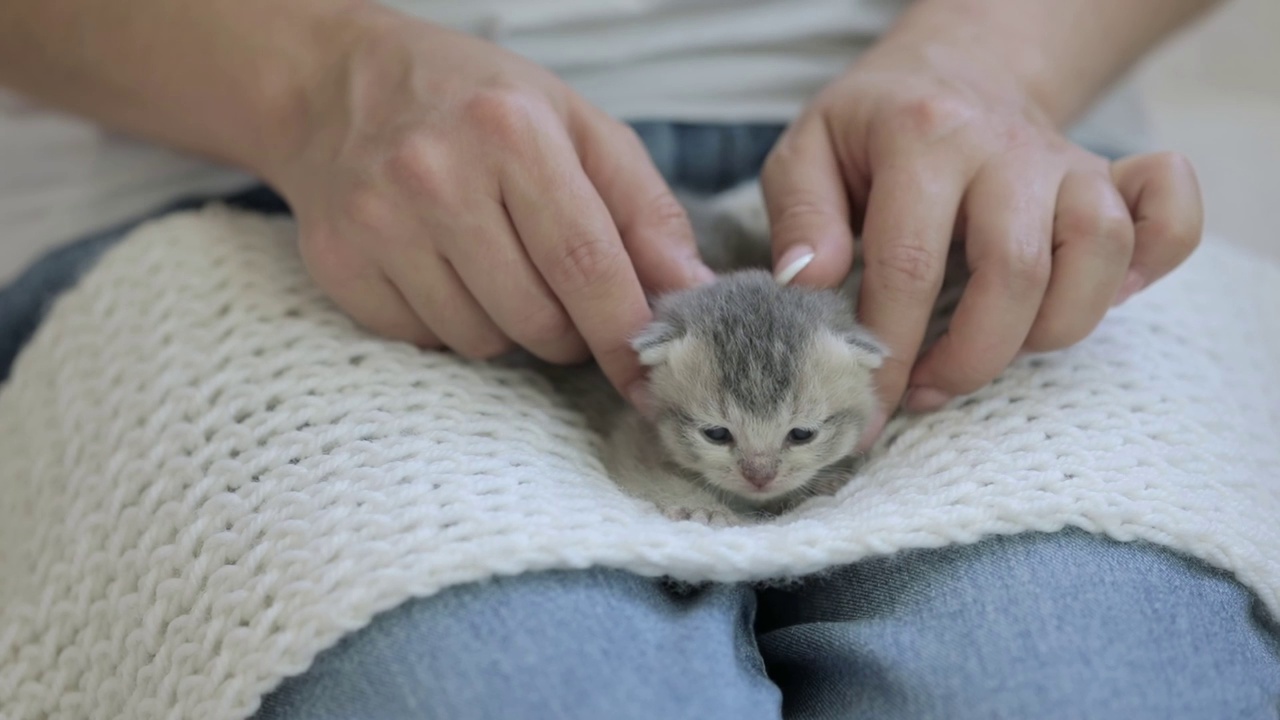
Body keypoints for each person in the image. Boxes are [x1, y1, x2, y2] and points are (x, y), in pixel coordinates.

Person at [1, 1, 1276, 718]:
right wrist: (317, 85)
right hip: (286, 181)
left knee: (1096, 691)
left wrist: (992, 64)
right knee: (492, 692)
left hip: (972, 182)